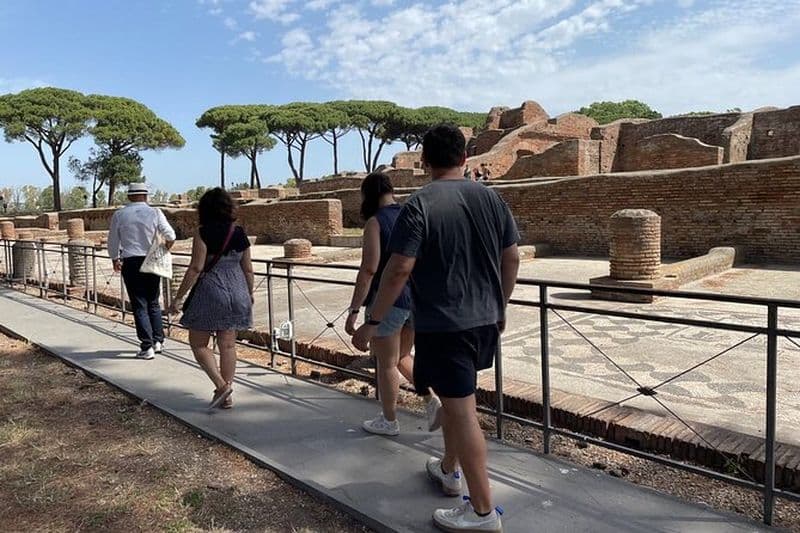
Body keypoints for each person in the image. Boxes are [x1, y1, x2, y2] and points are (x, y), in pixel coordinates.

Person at [353, 125, 520, 533]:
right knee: (453, 400)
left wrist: (372, 322)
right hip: (484, 320)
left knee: (462, 412)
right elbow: (512, 258)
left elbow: (398, 269)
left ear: (425, 161)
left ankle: (482, 512)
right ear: (465, 158)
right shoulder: (492, 198)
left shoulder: (419, 205)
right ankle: (448, 470)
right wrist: (500, 303)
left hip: (446, 324)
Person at [344, 172, 442, 436]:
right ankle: (432, 400)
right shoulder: (412, 215)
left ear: (367, 196)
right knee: (402, 357)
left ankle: (389, 420)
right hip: (416, 299)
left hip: (389, 300)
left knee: (386, 362)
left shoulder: (375, 222)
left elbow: (369, 269)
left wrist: (355, 310)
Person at [171, 188, 254, 410]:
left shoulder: (202, 233)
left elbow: (196, 267)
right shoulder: (239, 232)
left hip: (211, 291)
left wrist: (178, 297)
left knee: (198, 344)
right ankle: (226, 395)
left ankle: (221, 386)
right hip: (238, 291)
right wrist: (249, 293)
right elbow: (248, 269)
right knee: (228, 345)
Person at [108, 182, 176, 360]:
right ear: (146, 196)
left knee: (139, 304)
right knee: (153, 301)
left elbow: (113, 240)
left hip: (131, 261)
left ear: (129, 196)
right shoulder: (155, 212)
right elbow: (171, 235)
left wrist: (114, 258)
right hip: (151, 259)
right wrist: (165, 249)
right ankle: (158, 340)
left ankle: (147, 346)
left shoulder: (120, 214)